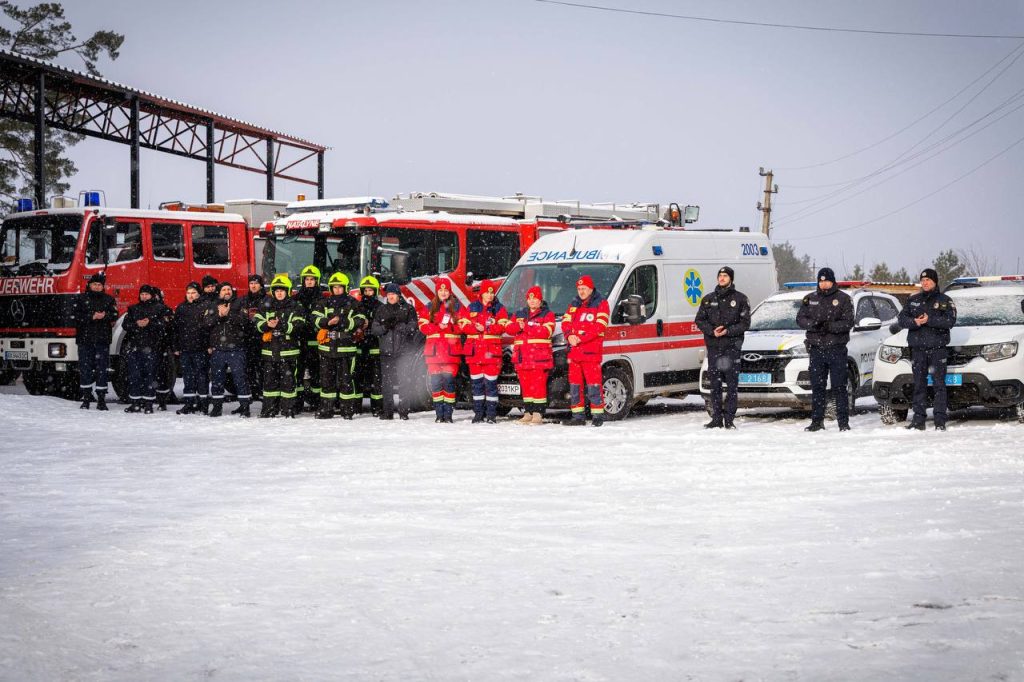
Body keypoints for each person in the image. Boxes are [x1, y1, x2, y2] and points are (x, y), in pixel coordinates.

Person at [898, 267, 957, 431]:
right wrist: (915, 322)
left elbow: (950, 321)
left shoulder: (945, 300)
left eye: (928, 280)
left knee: (939, 385)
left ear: (935, 281)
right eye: (923, 280)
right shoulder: (913, 300)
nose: (925, 283)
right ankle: (918, 420)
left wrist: (930, 320)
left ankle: (940, 420)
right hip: (918, 350)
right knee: (918, 385)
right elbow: (902, 319)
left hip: (937, 349)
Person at [796, 267, 855, 432]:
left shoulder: (843, 299)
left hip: (836, 349)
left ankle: (843, 423)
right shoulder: (810, 298)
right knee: (817, 387)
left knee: (839, 387)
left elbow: (848, 322)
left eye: (826, 280)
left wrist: (830, 326)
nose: (823, 283)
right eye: (820, 281)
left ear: (833, 281)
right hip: (816, 349)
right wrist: (813, 325)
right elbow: (800, 319)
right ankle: (817, 421)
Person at [695, 266, 751, 429]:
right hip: (714, 348)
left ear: (731, 279)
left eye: (725, 275)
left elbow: (745, 323)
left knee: (732, 385)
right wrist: (712, 331)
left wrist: (728, 331)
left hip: (731, 348)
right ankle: (716, 418)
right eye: (720, 275)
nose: (722, 278)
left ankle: (729, 419)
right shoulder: (708, 299)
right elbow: (699, 320)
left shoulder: (740, 299)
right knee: (715, 385)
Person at [312, 272, 366, 419]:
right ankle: (326, 410)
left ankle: (347, 411)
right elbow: (314, 318)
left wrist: (342, 322)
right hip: (327, 348)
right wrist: (327, 323)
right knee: (326, 382)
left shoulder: (354, 303)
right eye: (334, 287)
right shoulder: (324, 302)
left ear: (345, 288)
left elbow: (361, 320)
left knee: (346, 381)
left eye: (340, 287)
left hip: (346, 348)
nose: (337, 290)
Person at [561, 274, 610, 426]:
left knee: (593, 385)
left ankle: (597, 416)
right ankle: (578, 417)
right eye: (579, 289)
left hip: (591, 352)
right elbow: (565, 322)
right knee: (575, 386)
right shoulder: (574, 303)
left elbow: (600, 327)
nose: (581, 291)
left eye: (584, 288)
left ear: (591, 289)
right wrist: (569, 336)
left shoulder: (601, 303)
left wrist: (581, 337)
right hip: (575, 353)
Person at [255, 275, 306, 418]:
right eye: (276, 290)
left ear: (288, 291)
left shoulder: (295, 306)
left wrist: (280, 325)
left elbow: (299, 325)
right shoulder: (266, 305)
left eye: (282, 290)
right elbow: (257, 322)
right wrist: (266, 325)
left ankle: (288, 410)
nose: (279, 293)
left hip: (288, 351)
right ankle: (269, 409)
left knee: (288, 383)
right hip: (270, 351)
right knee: (269, 383)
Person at [459, 279, 509, 423]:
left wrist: (486, 328)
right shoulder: (472, 307)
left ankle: (491, 415)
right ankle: (478, 413)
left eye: (491, 292)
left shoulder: (499, 308)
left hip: (491, 354)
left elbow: (503, 326)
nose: (489, 295)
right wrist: (476, 328)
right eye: (487, 292)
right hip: (475, 353)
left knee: (491, 385)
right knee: (477, 385)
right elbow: (463, 324)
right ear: (482, 293)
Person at [507, 285, 556, 425]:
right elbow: (509, 328)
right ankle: (528, 413)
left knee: (538, 386)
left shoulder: (548, 314)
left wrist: (526, 327)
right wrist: (519, 326)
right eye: (530, 298)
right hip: (522, 357)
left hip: (539, 358)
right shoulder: (520, 313)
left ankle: (538, 414)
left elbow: (546, 331)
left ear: (540, 301)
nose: (532, 301)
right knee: (526, 386)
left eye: (535, 299)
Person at [418, 277, 463, 423]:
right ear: (437, 291)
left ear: (450, 291)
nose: (443, 293)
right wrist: (437, 327)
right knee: (436, 384)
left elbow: (463, 326)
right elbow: (422, 326)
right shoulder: (429, 306)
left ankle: (448, 415)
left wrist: (450, 327)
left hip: (451, 353)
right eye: (440, 290)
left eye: (446, 290)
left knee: (449, 383)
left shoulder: (457, 306)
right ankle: (439, 414)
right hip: (434, 353)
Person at [204, 282, 252, 418]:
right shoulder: (212, 305)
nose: (226, 292)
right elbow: (206, 323)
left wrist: (228, 313)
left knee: (240, 379)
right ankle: (217, 408)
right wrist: (219, 315)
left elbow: (244, 321)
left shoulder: (240, 303)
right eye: (224, 290)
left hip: (236, 349)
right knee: (217, 380)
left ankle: (245, 407)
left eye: (229, 289)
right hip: (218, 350)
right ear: (219, 292)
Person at [371, 283, 418, 420]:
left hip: (403, 352)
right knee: (387, 383)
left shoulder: (408, 309)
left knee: (404, 381)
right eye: (388, 295)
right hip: (386, 352)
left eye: (393, 294)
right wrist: (385, 326)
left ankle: (404, 412)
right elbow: (375, 329)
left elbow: (414, 327)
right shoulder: (381, 310)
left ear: (398, 295)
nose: (390, 297)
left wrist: (400, 326)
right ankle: (388, 412)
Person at [72, 272, 118, 411]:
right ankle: (86, 398)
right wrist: (91, 316)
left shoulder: (109, 299)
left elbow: (115, 314)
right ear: (89, 285)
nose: (97, 287)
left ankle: (101, 400)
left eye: (99, 285)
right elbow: (75, 316)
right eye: (95, 284)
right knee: (85, 369)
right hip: (85, 340)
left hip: (102, 340)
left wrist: (105, 316)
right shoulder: (81, 299)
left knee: (101, 370)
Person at [122, 284, 166, 414]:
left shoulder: (159, 308)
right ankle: (135, 403)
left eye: (146, 294)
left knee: (150, 376)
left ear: (152, 295)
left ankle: (148, 404)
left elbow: (164, 325)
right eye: (142, 294)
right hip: (135, 347)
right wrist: (136, 324)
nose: (144, 296)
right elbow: (125, 325)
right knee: (134, 376)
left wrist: (150, 323)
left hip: (152, 347)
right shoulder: (133, 309)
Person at [172, 282, 210, 415]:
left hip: (201, 349)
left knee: (202, 377)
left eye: (193, 292)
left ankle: (203, 404)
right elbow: (175, 329)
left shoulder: (205, 306)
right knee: (188, 377)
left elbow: (209, 329)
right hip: (185, 349)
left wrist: (209, 345)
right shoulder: (181, 308)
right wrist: (176, 346)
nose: (191, 295)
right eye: (188, 293)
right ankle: (189, 404)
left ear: (199, 293)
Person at [293, 265, 324, 411]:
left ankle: (317, 402)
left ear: (316, 281)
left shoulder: (322, 298)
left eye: (312, 279)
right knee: (298, 372)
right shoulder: (296, 298)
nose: (309, 282)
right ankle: (297, 402)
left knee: (316, 373)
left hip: (316, 341)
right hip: (300, 341)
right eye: (307, 279)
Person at [355, 275, 384, 416]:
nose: (367, 293)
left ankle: (377, 408)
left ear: (375, 292)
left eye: (370, 291)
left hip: (375, 347)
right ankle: (356, 408)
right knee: (357, 379)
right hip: (360, 348)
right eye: (365, 291)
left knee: (376, 380)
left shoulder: (381, 307)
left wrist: (370, 324)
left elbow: (384, 325)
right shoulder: (357, 306)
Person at [239, 274, 267, 401]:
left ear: (261, 285)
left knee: (263, 368)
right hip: (247, 339)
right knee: (248, 367)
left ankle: (263, 391)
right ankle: (252, 392)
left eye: (256, 283)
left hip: (263, 339)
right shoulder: (243, 300)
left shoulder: (267, 299)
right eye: (251, 283)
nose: (253, 286)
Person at [150, 286, 176, 410]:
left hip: (164, 347)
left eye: (157, 296)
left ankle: (165, 397)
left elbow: (172, 327)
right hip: (148, 347)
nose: (155, 298)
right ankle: (150, 396)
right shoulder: (141, 309)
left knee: (166, 374)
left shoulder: (166, 310)